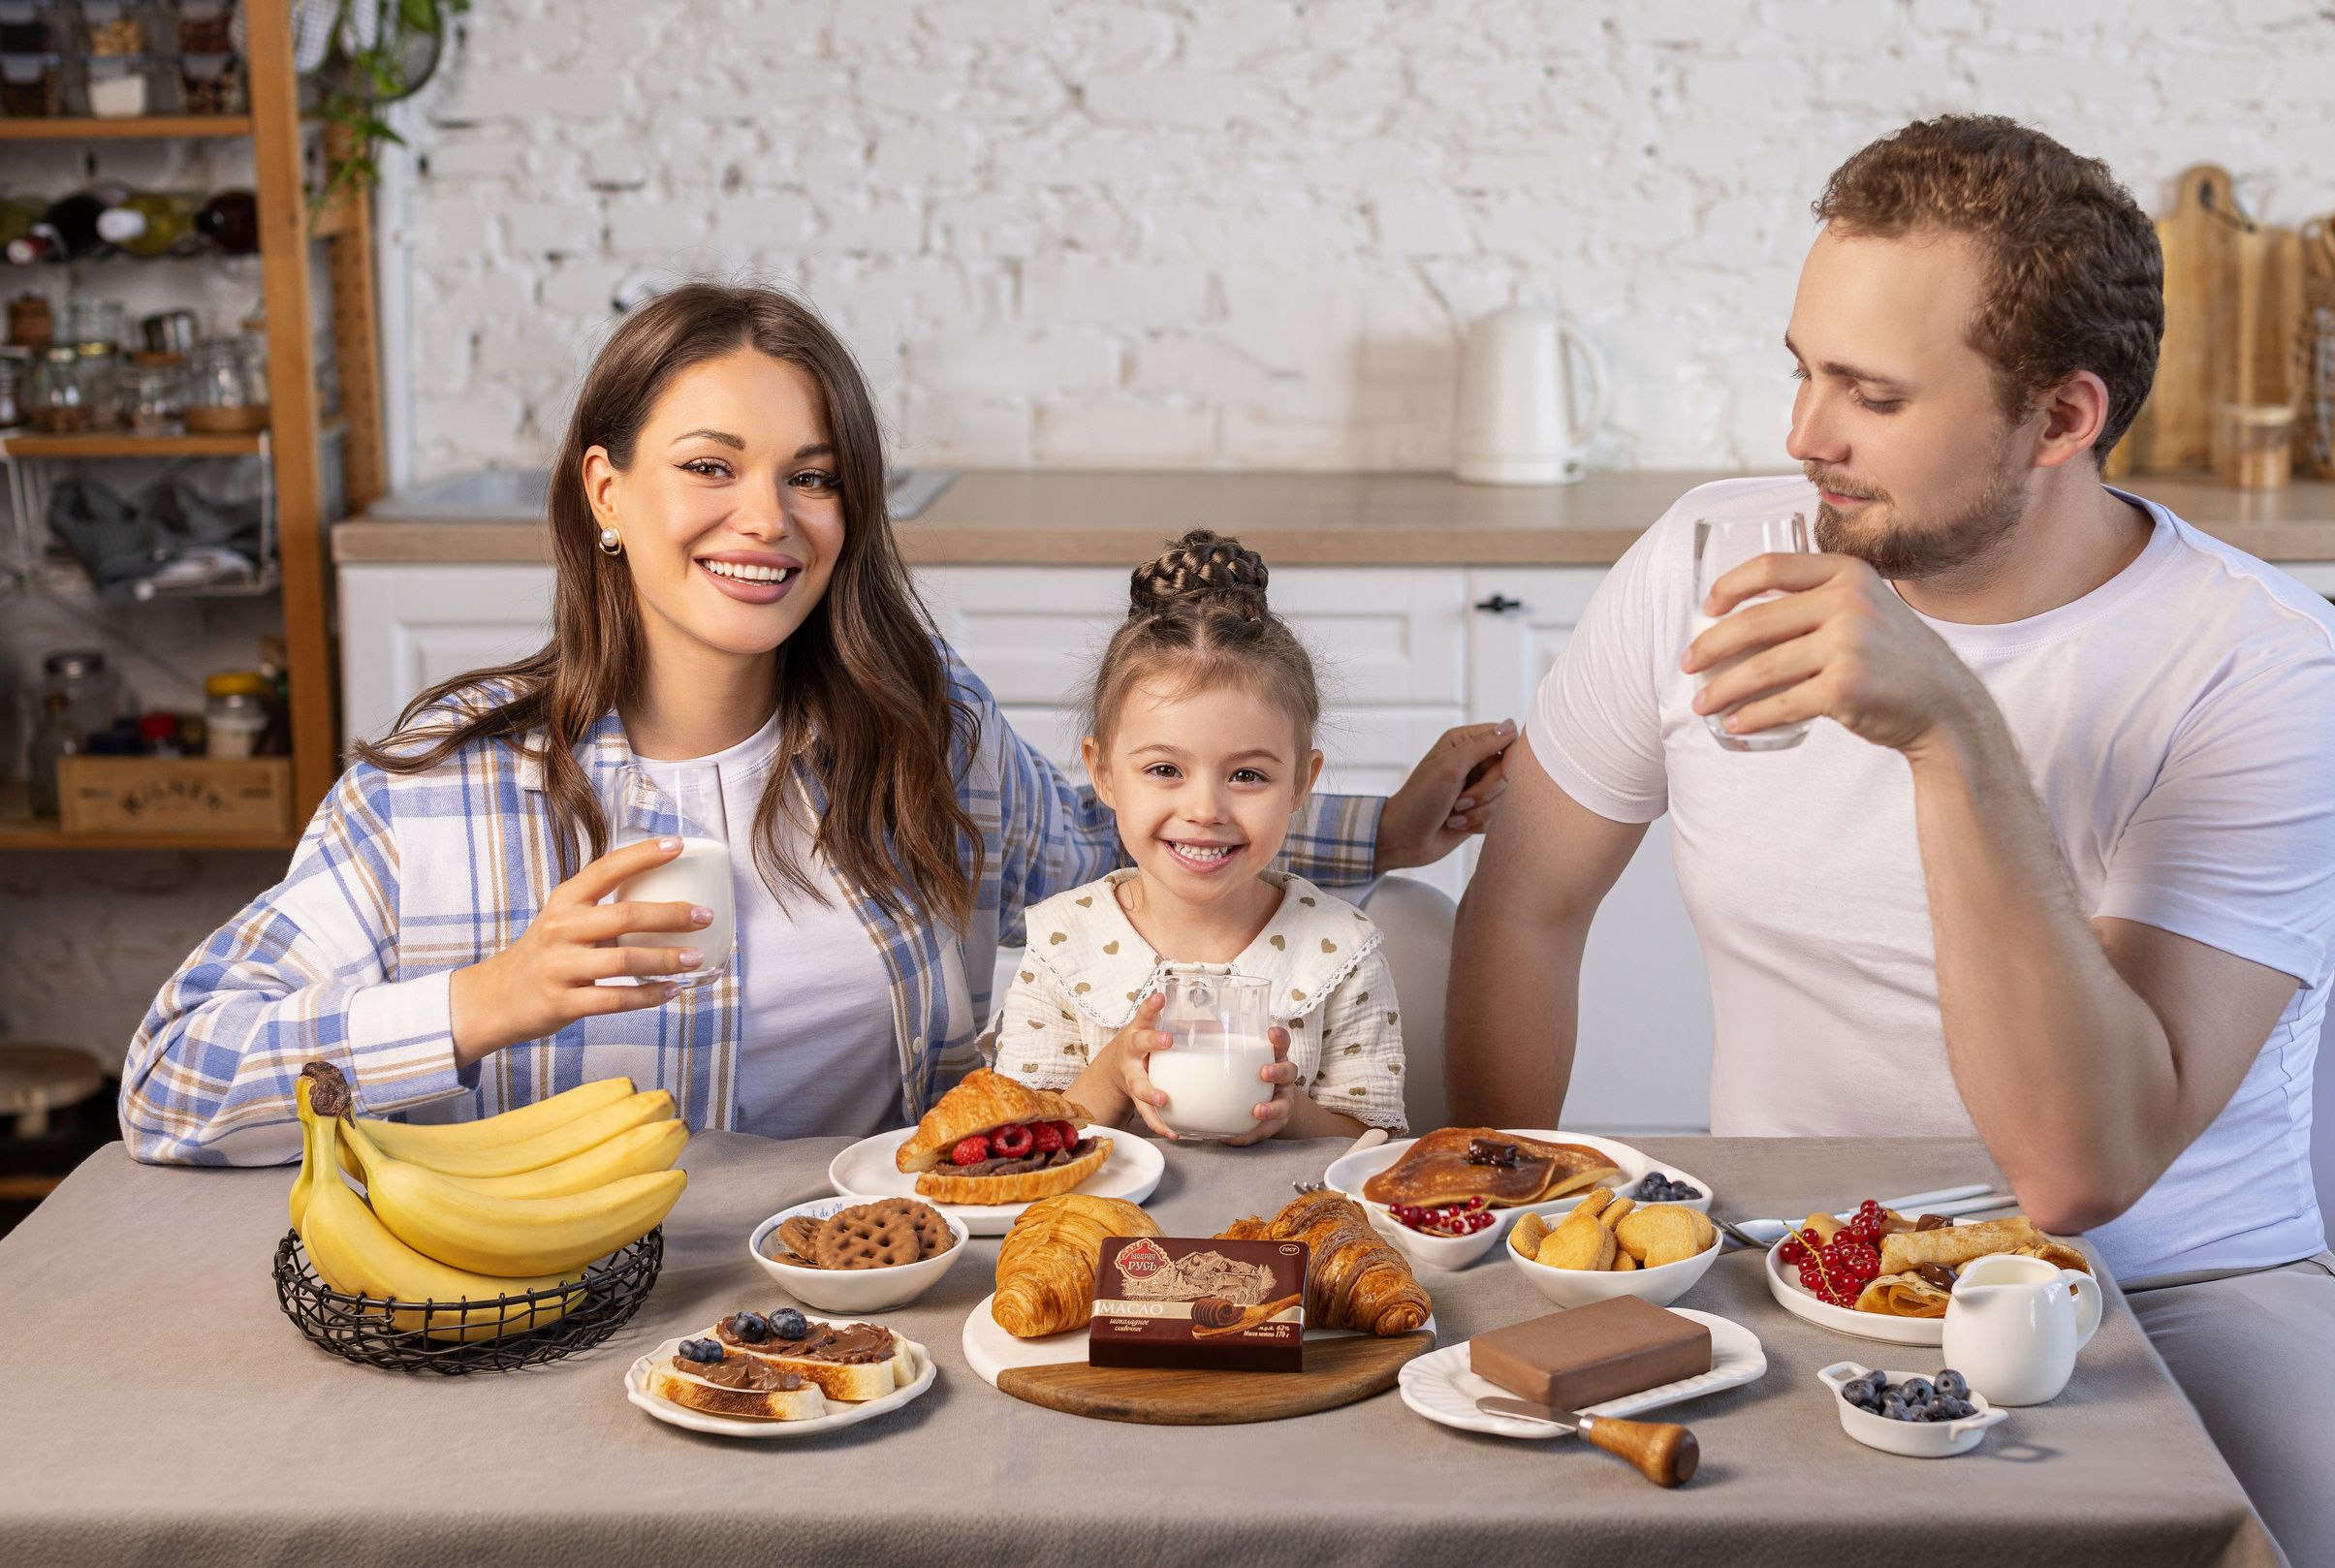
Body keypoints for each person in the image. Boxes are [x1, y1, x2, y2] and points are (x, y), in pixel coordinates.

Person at [1446, 117, 2335, 1566]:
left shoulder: (2270, 673)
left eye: (1873, 393)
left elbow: (2085, 1168)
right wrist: (1498, 1229)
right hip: (1789, 1256)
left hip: (2172, 1278)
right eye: (1802, 366)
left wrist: (1948, 731)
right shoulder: (1705, 568)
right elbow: (1527, 898)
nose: (1803, 435)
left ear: (2062, 416)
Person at [122, 283, 1509, 1164]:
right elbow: (174, 1080)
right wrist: (491, 1001)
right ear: (605, 493)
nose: (765, 520)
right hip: (534, 1331)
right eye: (709, 468)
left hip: (872, 1308)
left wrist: (1379, 828)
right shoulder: (441, 792)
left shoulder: (918, 737)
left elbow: (1129, 839)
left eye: (811, 476)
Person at [994, 529, 1405, 1142]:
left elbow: (1378, 1142)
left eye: (1248, 775)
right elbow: (1019, 1140)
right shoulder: (1063, 944)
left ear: (1302, 782)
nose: (1205, 808)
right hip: (1102, 1235)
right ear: (1103, 773)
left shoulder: (1338, 952)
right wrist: (1112, 1075)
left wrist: (1292, 1114)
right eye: (1165, 770)